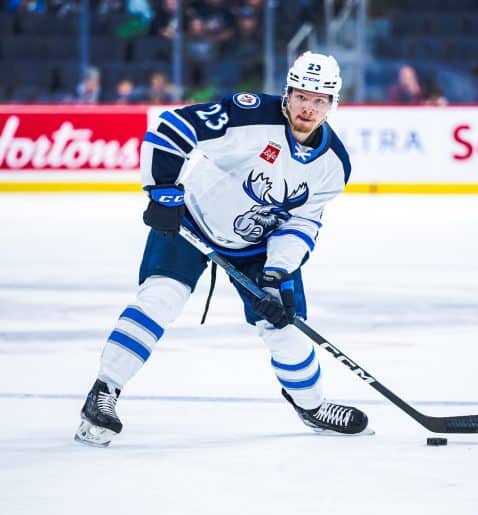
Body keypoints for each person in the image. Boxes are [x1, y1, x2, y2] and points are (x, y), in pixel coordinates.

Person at [74, 51, 368, 447]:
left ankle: (313, 407)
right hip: (190, 222)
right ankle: (104, 391)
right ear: (287, 93)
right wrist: (162, 190)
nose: (307, 108)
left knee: (285, 325)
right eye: (301, 96)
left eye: (319, 100)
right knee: (160, 299)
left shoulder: (333, 164)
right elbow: (173, 127)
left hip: (257, 246)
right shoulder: (249, 115)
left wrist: (277, 271)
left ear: (333, 103)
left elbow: (302, 222)